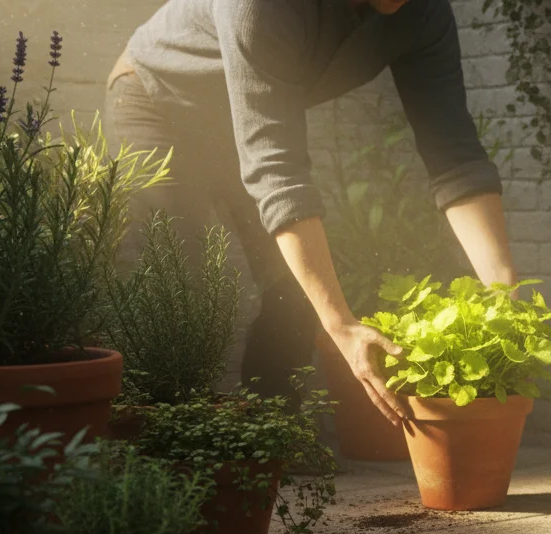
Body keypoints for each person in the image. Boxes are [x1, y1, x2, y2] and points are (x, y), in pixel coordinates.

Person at [105, 0, 516, 423]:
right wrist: (340, 324)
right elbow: (278, 169)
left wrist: (506, 294)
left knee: (297, 284)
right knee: (175, 288)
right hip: (157, 101)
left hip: (247, 115)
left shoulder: (423, 11)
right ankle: (162, 450)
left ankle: (274, 430)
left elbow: (454, 156)